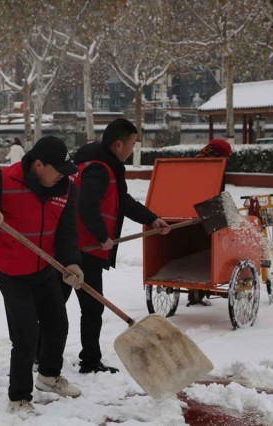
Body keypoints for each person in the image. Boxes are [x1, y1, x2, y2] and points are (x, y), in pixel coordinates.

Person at [0, 136, 83, 416]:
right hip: (10, 270)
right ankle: (18, 398)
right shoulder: (5, 181)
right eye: (58, 169)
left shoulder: (66, 190)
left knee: (57, 324)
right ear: (39, 164)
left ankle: (49, 377)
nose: (64, 175)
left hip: (44, 268)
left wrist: (73, 264)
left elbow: (66, 234)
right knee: (26, 334)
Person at [69, 118, 170, 374]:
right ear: (118, 144)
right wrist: (102, 235)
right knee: (91, 309)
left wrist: (151, 218)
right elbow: (86, 205)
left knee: (56, 304)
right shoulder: (100, 168)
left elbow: (121, 200)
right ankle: (90, 362)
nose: (132, 150)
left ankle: (41, 354)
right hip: (84, 250)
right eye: (132, 144)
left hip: (70, 244)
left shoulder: (97, 161)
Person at [188, 138, 232, 307]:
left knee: (196, 246)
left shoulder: (196, 161)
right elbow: (218, 193)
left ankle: (195, 293)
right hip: (208, 210)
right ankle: (209, 281)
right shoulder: (217, 165)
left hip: (189, 210)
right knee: (215, 245)